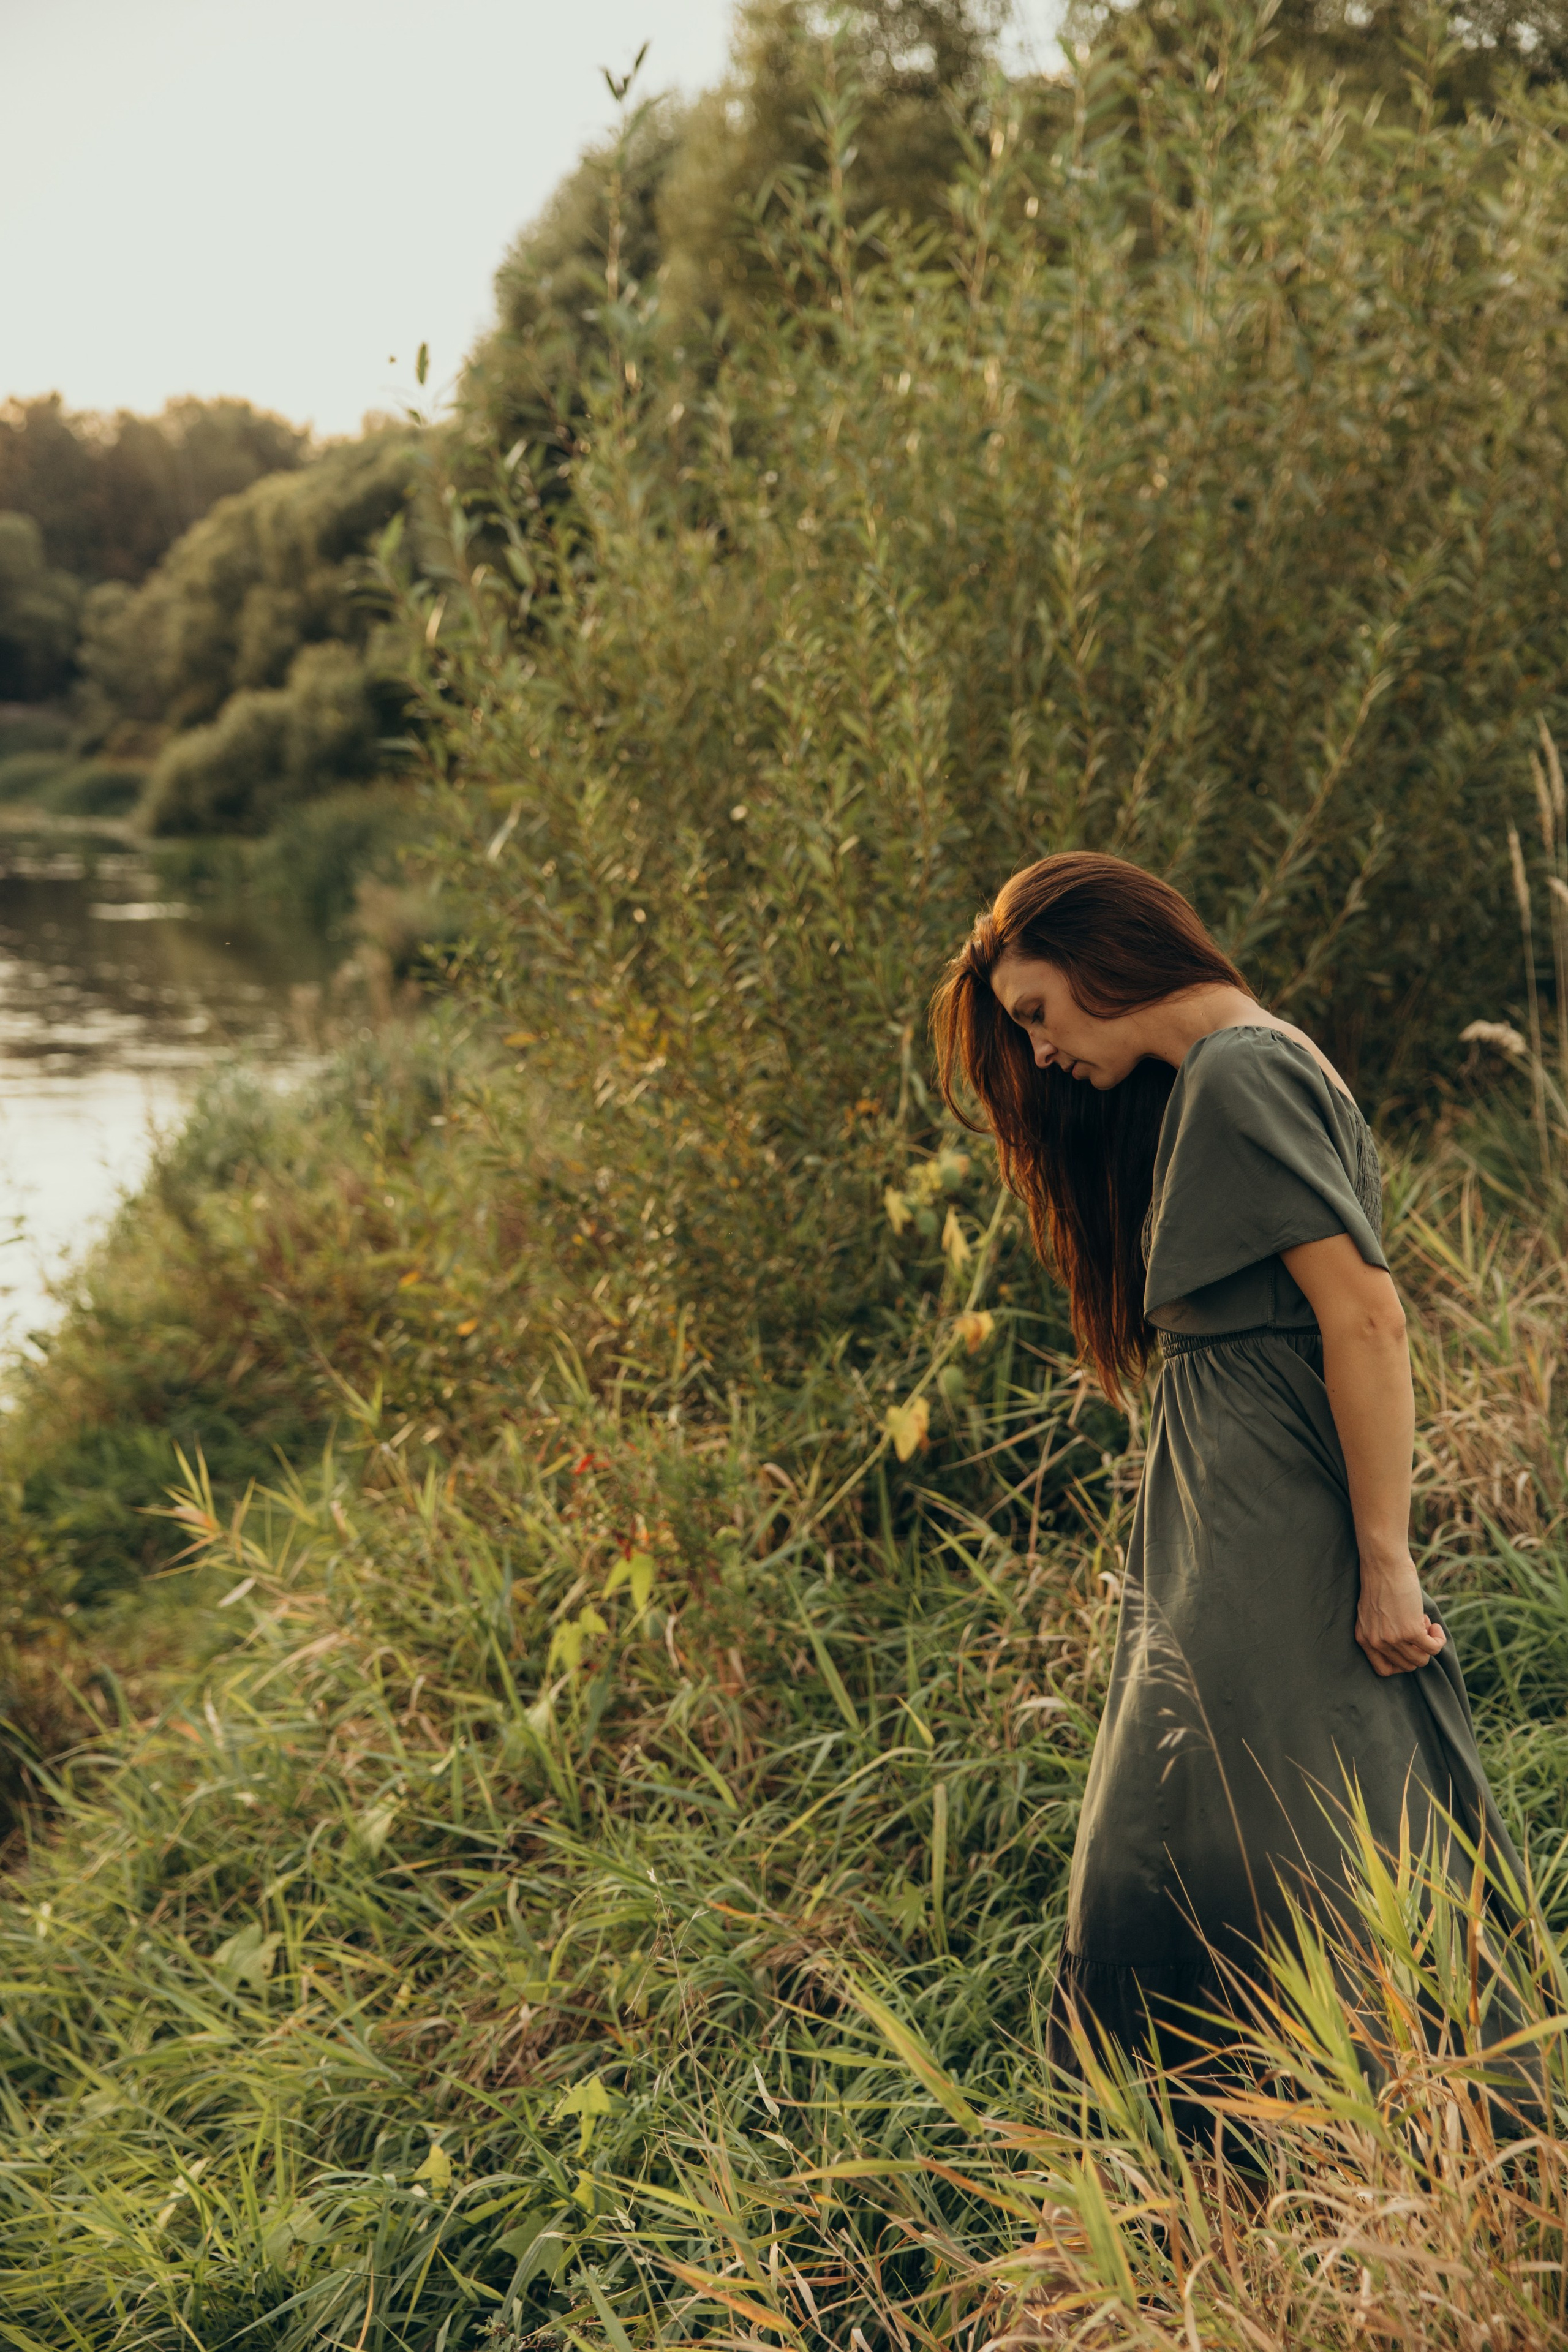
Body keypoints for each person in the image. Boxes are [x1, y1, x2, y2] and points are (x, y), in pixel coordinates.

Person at [930, 850, 1525, 2087]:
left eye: (1035, 1013)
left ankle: (1324, 2129)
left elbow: (1364, 1318)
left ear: (1100, 956)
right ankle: (1286, 2150)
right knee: (1254, 1808)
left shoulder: (1239, 1071)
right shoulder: (1232, 1069)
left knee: (1235, 1821)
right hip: (1232, 1513)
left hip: (1265, 1519)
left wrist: (1383, 1558)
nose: (1036, 1052)